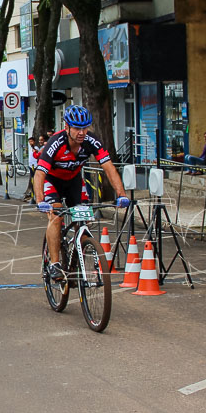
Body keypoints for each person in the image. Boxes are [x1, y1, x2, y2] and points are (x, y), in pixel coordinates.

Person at [33, 105, 130, 281]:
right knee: (56, 215)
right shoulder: (56, 143)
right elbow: (40, 174)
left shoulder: (91, 141)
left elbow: (108, 167)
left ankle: (79, 261)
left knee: (83, 218)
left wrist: (122, 194)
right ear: (67, 127)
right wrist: (40, 200)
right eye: (77, 128)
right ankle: (54, 264)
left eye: (85, 127)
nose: (81, 132)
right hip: (51, 181)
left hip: (74, 181)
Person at [26, 137, 40, 204]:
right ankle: (32, 195)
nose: (30, 143)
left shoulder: (36, 148)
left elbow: (37, 153)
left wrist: (35, 150)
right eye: (29, 142)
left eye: (31, 141)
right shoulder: (30, 148)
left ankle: (36, 195)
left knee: (35, 180)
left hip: (35, 166)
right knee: (32, 180)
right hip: (30, 166)